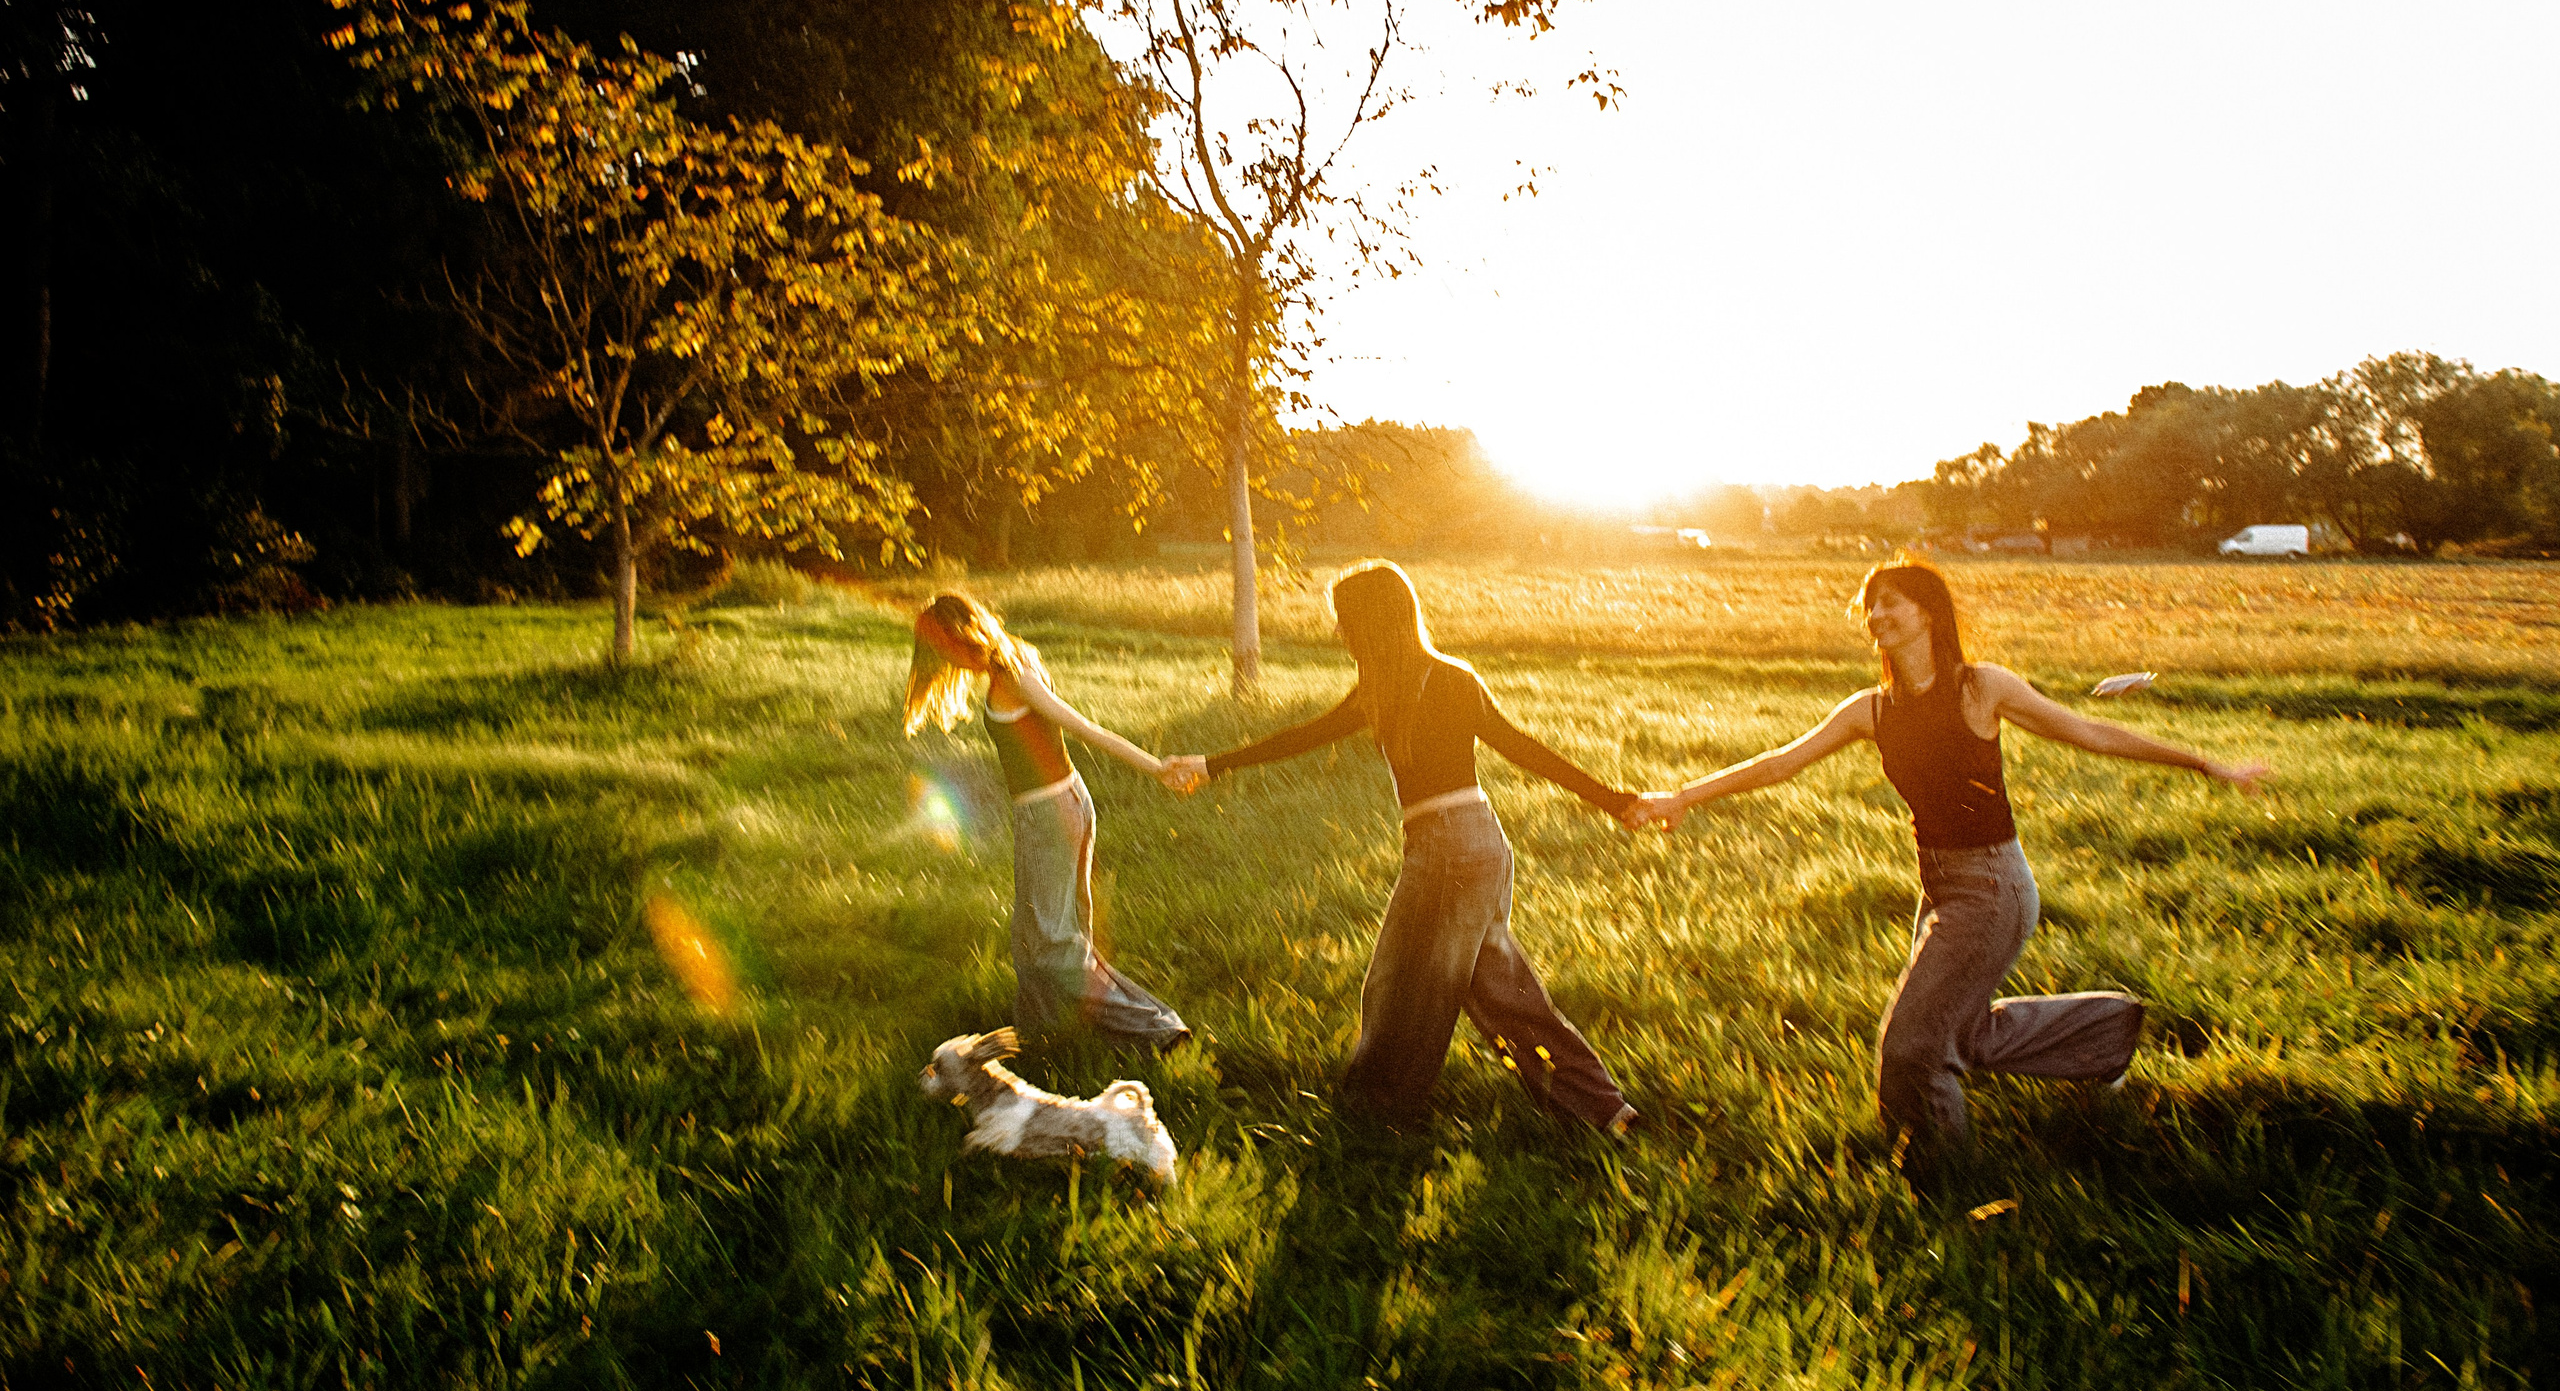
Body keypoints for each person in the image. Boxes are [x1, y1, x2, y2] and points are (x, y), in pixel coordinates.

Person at [1629, 556, 2270, 1187]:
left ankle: (1941, 1181)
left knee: (1913, 1047)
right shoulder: (1871, 710)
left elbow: (2089, 733)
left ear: (1929, 612)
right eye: (1871, 603)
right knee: (1957, 1030)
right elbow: (1778, 764)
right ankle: (2104, 1034)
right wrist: (1682, 796)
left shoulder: (1979, 687)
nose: (1877, 613)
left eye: (1892, 601)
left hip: (1992, 887)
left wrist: (2208, 766)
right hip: (1939, 886)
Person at [1162, 560, 1642, 1136]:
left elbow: (1523, 749)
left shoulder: (1435, 680)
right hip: (1480, 844)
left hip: (1447, 853)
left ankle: (1376, 1113)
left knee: (1398, 983)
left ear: (1374, 622)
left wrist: (1612, 799)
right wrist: (1214, 765)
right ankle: (1606, 1113)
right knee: (1499, 992)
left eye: (1346, 621)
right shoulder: (1394, 685)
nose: (1340, 633)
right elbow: (1307, 735)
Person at [905, 593, 1189, 1050]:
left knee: (1056, 946)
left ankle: (1158, 1030)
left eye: (945, 649)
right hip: (1062, 806)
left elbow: (1084, 728)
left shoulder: (1012, 677)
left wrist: (1155, 766)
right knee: (1042, 935)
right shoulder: (1016, 658)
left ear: (962, 637)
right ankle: (1040, 1035)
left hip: (1049, 816)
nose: (946, 662)